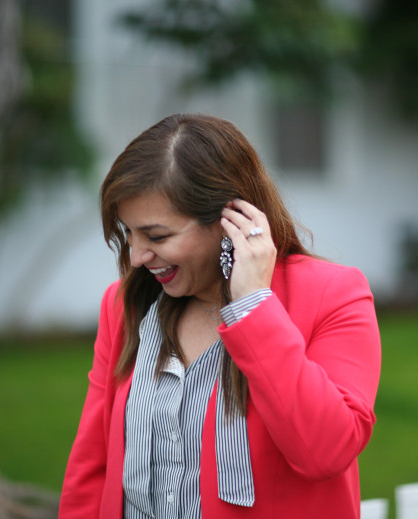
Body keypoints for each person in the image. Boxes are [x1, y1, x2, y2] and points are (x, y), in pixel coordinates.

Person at [59, 113, 381, 519]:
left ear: (231, 219)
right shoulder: (125, 305)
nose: (138, 256)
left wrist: (254, 308)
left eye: (157, 236)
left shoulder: (332, 295)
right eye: (129, 233)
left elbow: (326, 451)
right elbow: (91, 468)